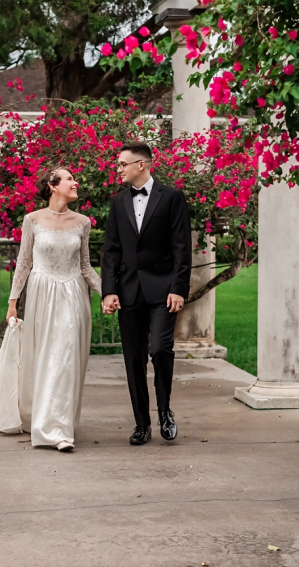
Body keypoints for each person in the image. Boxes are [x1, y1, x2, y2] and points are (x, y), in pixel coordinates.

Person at [0, 167, 102, 452]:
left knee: (66, 358)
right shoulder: (32, 220)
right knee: (45, 358)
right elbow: (24, 262)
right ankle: (41, 418)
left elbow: (85, 267)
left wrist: (109, 293)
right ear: (53, 186)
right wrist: (12, 303)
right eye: (69, 178)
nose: (75, 181)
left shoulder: (83, 222)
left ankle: (57, 430)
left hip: (73, 295)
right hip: (42, 296)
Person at [101, 141, 192, 445]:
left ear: (142, 164)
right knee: (134, 358)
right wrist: (109, 291)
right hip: (128, 292)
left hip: (164, 289)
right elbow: (111, 251)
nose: (118, 169)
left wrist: (179, 288)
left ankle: (164, 411)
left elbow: (182, 247)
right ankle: (142, 424)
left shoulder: (172, 198)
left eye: (122, 164)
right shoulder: (118, 203)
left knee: (160, 350)